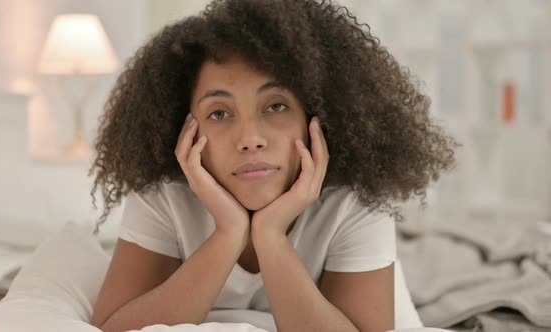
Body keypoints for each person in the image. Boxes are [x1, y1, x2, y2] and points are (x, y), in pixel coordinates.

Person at [88, 0, 459, 331]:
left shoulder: (354, 199)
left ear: (317, 118)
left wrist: (270, 237)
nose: (250, 137)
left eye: (276, 106)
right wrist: (229, 233)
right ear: (185, 128)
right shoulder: (165, 193)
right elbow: (112, 327)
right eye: (219, 112)